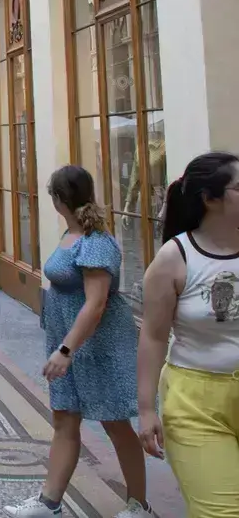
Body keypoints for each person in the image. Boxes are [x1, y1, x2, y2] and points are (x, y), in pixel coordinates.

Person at [5, 165, 152, 518]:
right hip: (67, 347)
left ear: (58, 199)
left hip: (95, 348)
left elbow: (97, 303)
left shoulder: (95, 242)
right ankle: (48, 503)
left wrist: (66, 350)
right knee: (65, 422)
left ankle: (138, 506)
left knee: (115, 424)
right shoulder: (72, 234)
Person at [137, 151, 239, 517]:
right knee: (223, 512)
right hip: (196, 401)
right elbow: (152, 336)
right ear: (210, 199)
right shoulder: (175, 258)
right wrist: (147, 409)